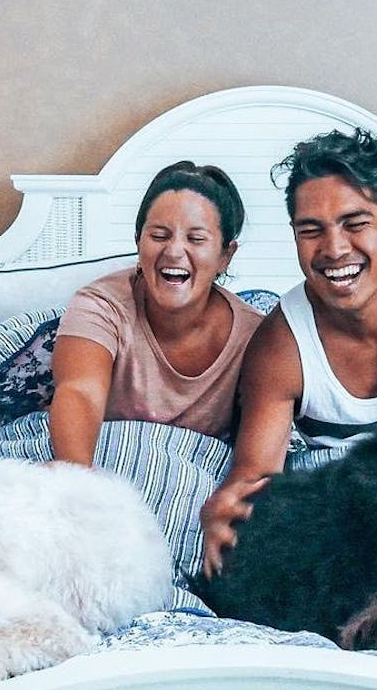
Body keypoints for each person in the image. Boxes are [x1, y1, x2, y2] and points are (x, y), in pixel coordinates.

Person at [200, 129, 377, 577]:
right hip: (344, 518)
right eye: (312, 231)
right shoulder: (281, 343)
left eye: (355, 224)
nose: (334, 249)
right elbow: (255, 474)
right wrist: (229, 510)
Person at [50, 161, 263, 465]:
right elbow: (79, 392)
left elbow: (259, 454)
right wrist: (78, 480)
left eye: (196, 239)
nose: (174, 251)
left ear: (226, 256)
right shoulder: (100, 305)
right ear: (138, 242)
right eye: (159, 235)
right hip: (100, 461)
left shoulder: (257, 337)